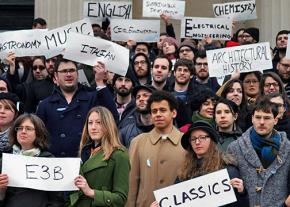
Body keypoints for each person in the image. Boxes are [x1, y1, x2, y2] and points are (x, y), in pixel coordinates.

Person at [36, 57, 118, 157]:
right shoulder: (45, 105)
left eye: (72, 70)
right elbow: (39, 138)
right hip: (57, 165)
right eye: (64, 71)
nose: (69, 74)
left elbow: (112, 118)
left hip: (88, 162)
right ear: (55, 77)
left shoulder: (92, 97)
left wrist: (100, 82)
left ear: (78, 74)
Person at [227, 97, 290, 206]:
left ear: (275, 120)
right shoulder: (234, 148)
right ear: (252, 119)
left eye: (267, 118)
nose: (261, 122)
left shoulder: (288, 148)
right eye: (258, 117)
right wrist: (241, 191)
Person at [126, 91, 185, 207]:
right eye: (154, 111)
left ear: (173, 113)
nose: (158, 114)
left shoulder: (186, 142)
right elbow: (131, 183)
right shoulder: (138, 142)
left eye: (163, 110)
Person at [177, 120, 249, 207]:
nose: (197, 142)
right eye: (193, 139)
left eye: (202, 137)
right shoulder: (184, 172)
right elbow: (175, 199)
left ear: (212, 140)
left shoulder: (227, 170)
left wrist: (241, 192)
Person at [69, 106, 130, 207]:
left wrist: (91, 192)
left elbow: (120, 199)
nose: (93, 127)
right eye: (90, 123)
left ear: (108, 125)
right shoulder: (84, 152)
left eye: (99, 122)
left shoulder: (119, 155)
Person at [0, 114, 64, 207]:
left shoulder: (49, 161)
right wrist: (1, 190)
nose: (23, 131)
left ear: (38, 133)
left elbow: (57, 200)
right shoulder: (5, 161)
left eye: (28, 128)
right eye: (20, 128)